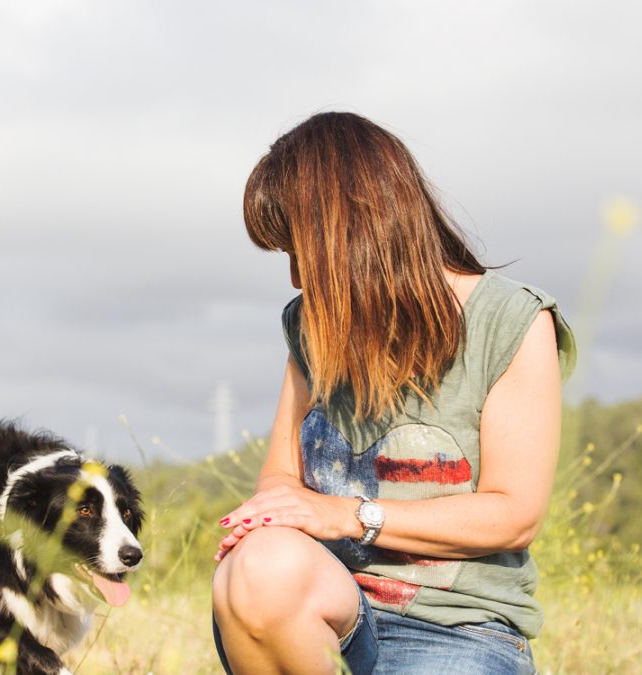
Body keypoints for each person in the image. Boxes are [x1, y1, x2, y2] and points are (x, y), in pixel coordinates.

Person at [210, 112, 576, 675]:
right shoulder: (310, 325)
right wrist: (267, 521)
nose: (294, 279)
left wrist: (348, 514)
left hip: (458, 629)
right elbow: (281, 477)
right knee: (259, 567)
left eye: (297, 250)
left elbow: (514, 515)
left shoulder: (513, 320)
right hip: (334, 609)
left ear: (347, 234)